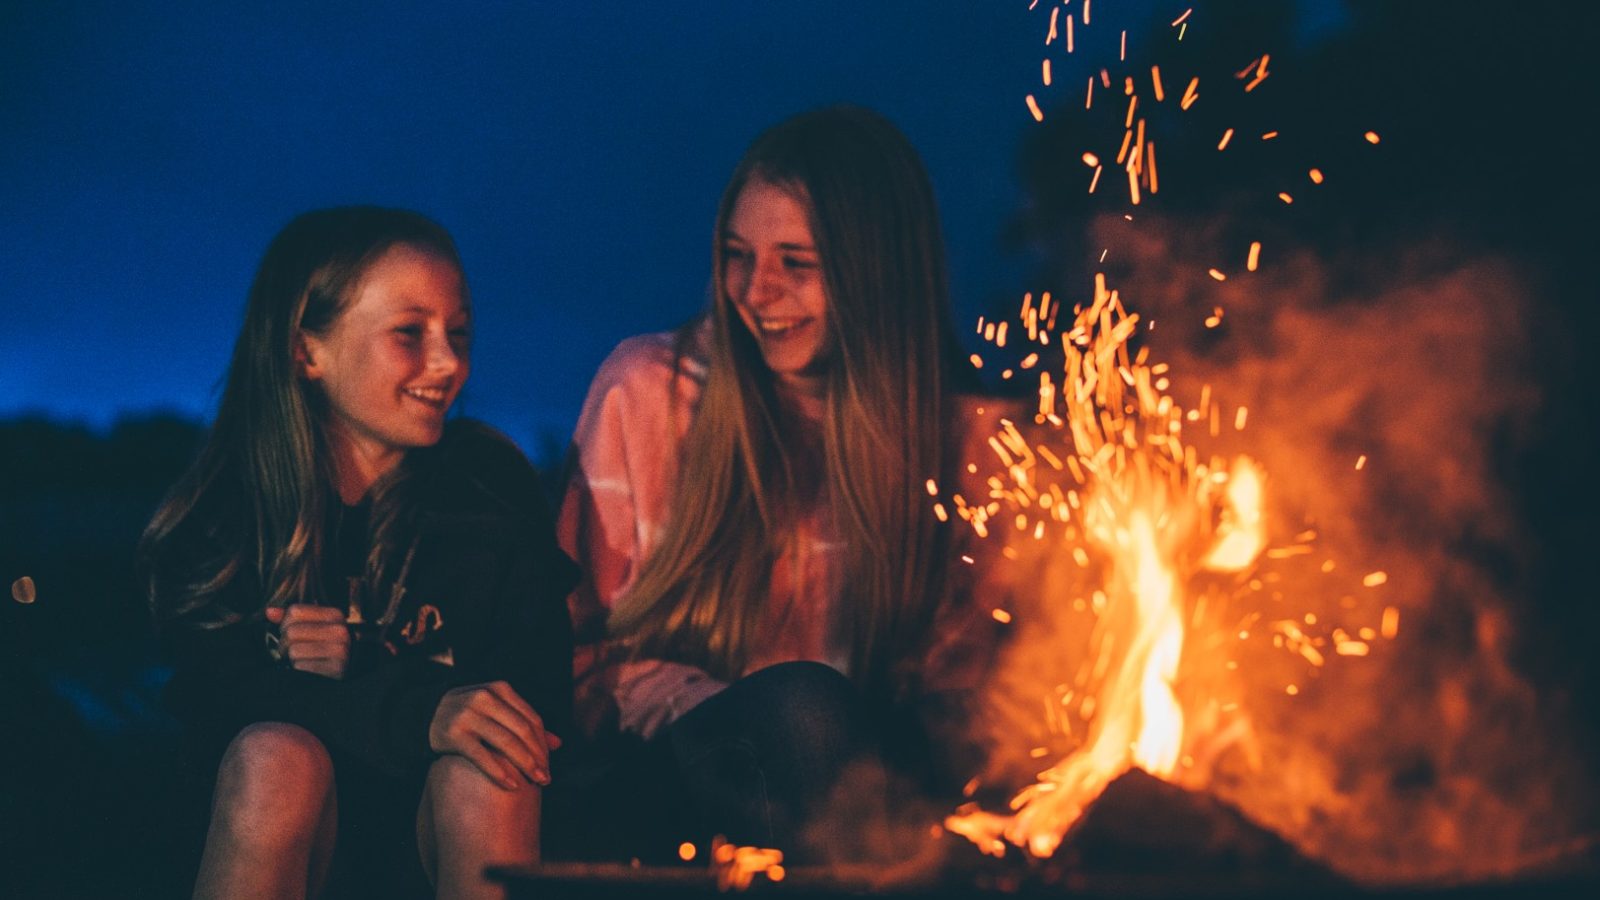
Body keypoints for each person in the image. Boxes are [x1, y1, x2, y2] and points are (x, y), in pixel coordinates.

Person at [556, 106, 994, 861]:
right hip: (674, 777)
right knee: (803, 711)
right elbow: (571, 651)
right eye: (737, 255)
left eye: (797, 262)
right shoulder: (648, 395)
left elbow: (967, 689)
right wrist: (726, 709)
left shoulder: (970, 436)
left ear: (875, 271)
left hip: (877, 787)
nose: (756, 292)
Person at [139, 206, 576, 900]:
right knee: (274, 757)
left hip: (438, 836)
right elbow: (209, 701)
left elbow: (540, 703)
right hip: (290, 839)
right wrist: (414, 705)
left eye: (458, 333)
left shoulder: (485, 488)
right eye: (410, 333)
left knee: (492, 763)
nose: (448, 363)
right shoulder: (230, 511)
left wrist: (369, 674)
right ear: (306, 350)